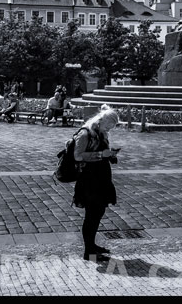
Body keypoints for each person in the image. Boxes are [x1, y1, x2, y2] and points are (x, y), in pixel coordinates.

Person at [72, 105, 121, 261]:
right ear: (100, 121)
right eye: (108, 126)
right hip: (89, 180)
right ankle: (89, 251)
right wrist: (101, 154)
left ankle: (92, 245)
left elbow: (101, 153)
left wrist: (110, 155)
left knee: (98, 213)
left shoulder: (101, 133)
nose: (109, 130)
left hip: (101, 179)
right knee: (91, 215)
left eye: (111, 128)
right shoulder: (85, 133)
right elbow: (78, 156)